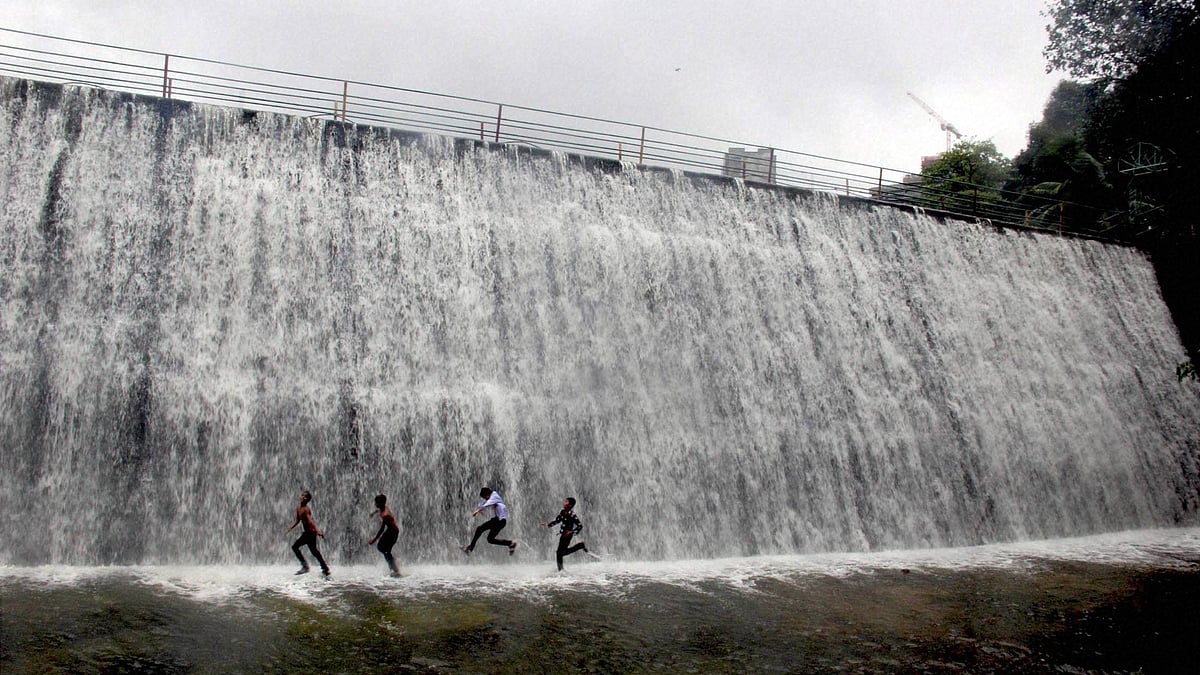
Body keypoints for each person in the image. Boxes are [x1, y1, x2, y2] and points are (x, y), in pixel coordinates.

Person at [287, 490, 330, 577]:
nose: (303, 497)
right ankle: (325, 568)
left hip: (310, 533)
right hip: (307, 533)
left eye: (305, 497)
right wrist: (291, 527)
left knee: (295, 547)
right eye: (302, 495)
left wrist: (317, 531)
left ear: (307, 500)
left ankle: (305, 566)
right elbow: (298, 520)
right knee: (314, 551)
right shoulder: (298, 508)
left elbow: (310, 521)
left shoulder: (306, 509)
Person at [464, 486, 517, 555]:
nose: (485, 499)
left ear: (488, 495)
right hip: (498, 521)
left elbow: (488, 503)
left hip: (500, 521)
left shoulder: (494, 496)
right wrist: (479, 509)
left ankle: (470, 548)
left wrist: (478, 511)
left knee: (479, 529)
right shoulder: (492, 496)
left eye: (485, 497)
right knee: (490, 539)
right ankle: (510, 543)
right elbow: (483, 503)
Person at [541, 497, 588, 571]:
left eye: (566, 501)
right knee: (560, 552)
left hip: (568, 535)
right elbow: (557, 520)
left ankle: (561, 569)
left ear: (570, 505)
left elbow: (580, 526)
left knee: (559, 553)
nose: (564, 502)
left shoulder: (572, 514)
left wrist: (572, 532)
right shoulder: (562, 512)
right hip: (563, 534)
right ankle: (561, 569)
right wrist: (548, 525)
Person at [368, 494, 401, 577]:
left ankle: (394, 568)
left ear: (380, 503)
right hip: (390, 530)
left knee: (384, 548)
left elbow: (381, 529)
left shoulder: (385, 515)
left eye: (376, 503)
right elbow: (379, 510)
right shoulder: (384, 507)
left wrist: (373, 540)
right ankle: (394, 566)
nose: (375, 504)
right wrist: (373, 513)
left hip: (393, 532)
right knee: (383, 548)